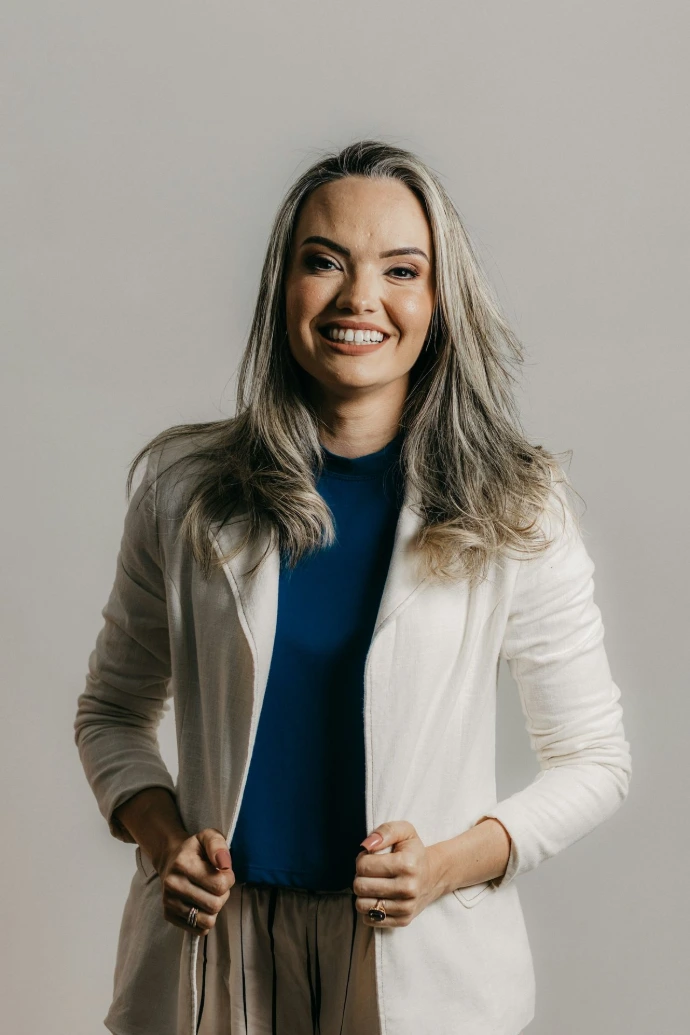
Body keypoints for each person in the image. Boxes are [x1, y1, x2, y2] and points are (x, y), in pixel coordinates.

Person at [74, 139, 632, 1035]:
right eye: (323, 261)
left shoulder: (518, 505)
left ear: (438, 302)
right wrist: (163, 838)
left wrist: (448, 863)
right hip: (217, 954)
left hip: (416, 957)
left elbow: (595, 760)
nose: (358, 298)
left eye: (400, 269)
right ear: (282, 287)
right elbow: (110, 712)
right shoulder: (184, 489)